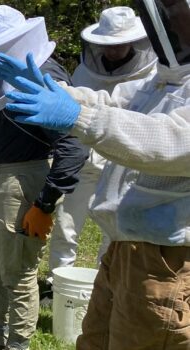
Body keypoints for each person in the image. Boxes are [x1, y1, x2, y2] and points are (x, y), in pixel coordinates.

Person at [0, 0, 190, 347]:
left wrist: (77, 118)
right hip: (125, 248)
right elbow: (113, 102)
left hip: (167, 258)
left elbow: (170, 140)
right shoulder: (167, 77)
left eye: (177, 10)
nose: (172, 20)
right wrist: (58, 91)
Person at [0, 6, 88, 349]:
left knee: (17, 274)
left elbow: (73, 147)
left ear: (11, 44)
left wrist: (44, 204)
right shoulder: (18, 73)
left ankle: (17, 345)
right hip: (0, 177)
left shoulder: (44, 74)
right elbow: (6, 138)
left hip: (25, 179)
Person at [47, 6, 157, 285]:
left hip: (122, 160)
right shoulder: (86, 68)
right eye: (107, 44)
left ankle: (105, 284)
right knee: (66, 222)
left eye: (118, 45)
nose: (112, 51)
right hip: (83, 157)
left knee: (113, 228)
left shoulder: (151, 72)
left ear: (132, 41)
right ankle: (57, 282)